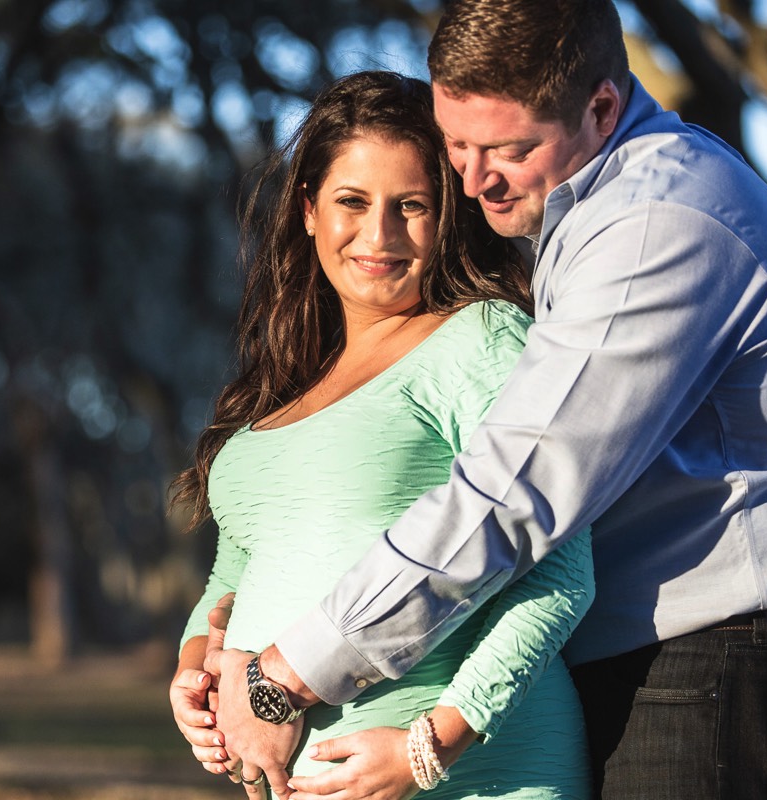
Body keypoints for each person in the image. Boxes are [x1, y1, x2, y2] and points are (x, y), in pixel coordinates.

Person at [203, 1, 767, 798]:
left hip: (731, 676)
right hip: (679, 671)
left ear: (601, 106)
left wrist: (286, 676)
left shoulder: (653, 228)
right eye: (455, 144)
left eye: (506, 148)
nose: (471, 178)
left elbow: (513, 494)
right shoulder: (581, 212)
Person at [168, 70, 594, 799]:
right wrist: (193, 668)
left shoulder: (484, 339)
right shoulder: (284, 382)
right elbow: (235, 571)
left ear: (447, 215)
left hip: (480, 779)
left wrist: (433, 744)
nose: (380, 235)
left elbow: (561, 575)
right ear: (308, 210)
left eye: (412, 206)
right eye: (353, 202)